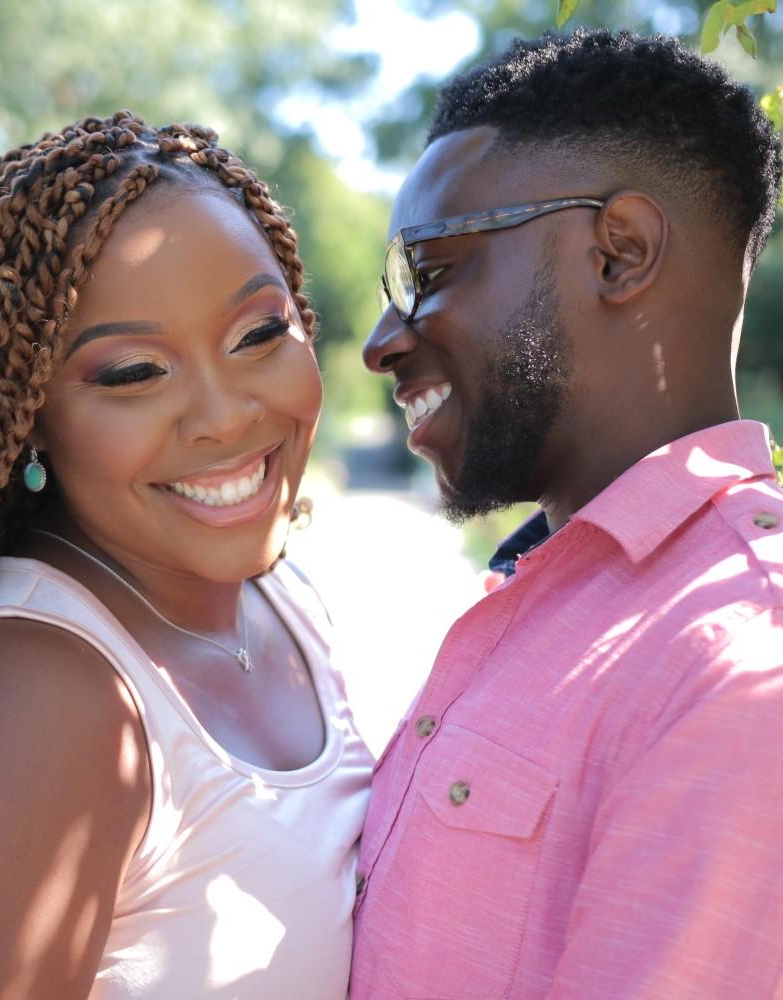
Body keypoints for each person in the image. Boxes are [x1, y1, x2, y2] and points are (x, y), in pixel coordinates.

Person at [0, 111, 373, 999]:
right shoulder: (21, 697)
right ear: (28, 416)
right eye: (134, 372)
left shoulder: (283, 604)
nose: (225, 415)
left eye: (258, 334)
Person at [351, 29, 783, 1000]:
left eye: (430, 270)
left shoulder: (741, 655)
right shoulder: (550, 588)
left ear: (618, 253)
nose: (382, 340)